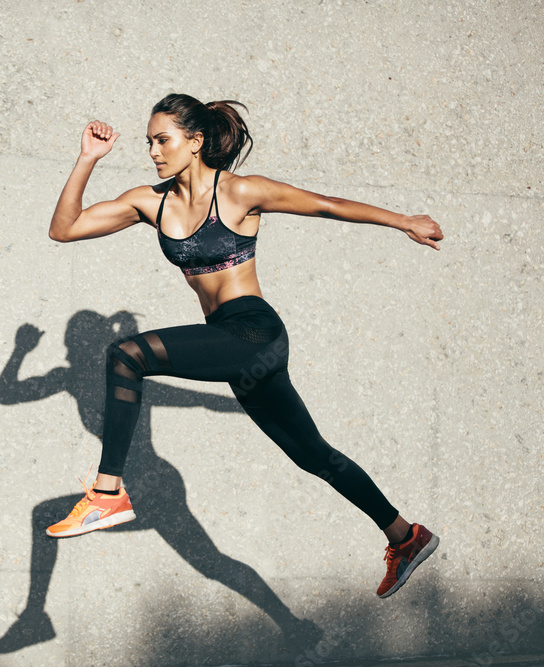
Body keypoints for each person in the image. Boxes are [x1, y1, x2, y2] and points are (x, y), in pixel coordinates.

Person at [45, 93, 443, 598]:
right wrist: (86, 160)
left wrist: (404, 220)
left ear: (196, 141)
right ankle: (405, 536)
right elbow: (64, 230)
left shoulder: (240, 192)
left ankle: (107, 493)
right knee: (313, 455)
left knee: (127, 355)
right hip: (233, 353)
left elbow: (326, 205)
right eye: (148, 142)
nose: (152, 151)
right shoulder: (149, 202)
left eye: (162, 140)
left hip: (254, 333)